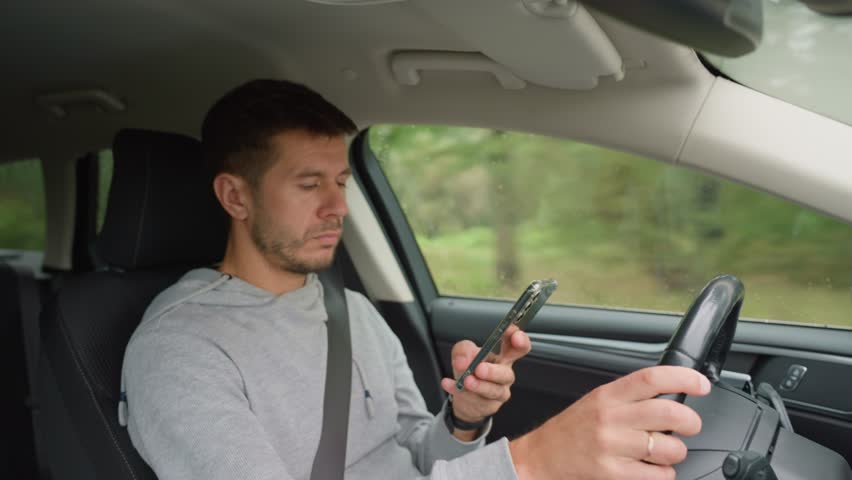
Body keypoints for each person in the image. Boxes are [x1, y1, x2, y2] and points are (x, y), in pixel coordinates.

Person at [120, 79, 710, 480]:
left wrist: (465, 419)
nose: (338, 208)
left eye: (341, 183)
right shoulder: (179, 349)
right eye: (308, 185)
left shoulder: (351, 309)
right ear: (235, 196)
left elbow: (417, 459)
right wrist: (530, 461)